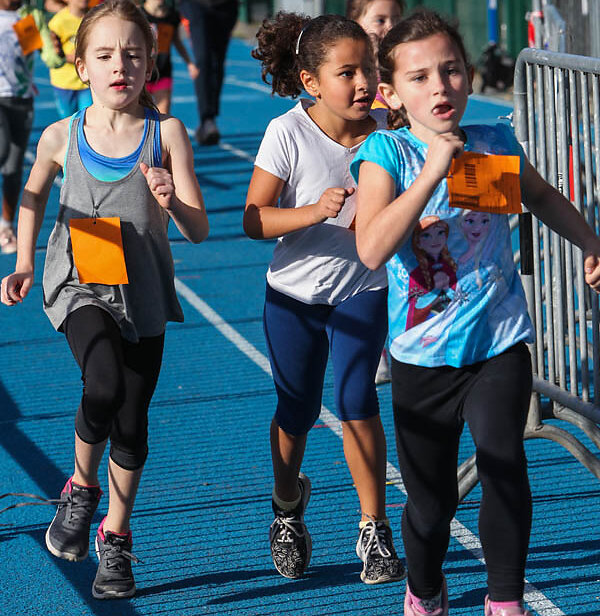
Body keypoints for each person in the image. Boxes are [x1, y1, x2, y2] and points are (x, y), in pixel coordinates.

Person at [351, 8, 600, 616]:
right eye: (419, 77)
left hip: (498, 342)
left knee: (504, 464)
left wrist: (591, 242)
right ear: (391, 93)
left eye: (451, 70)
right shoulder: (386, 153)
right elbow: (371, 248)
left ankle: (505, 600)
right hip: (423, 359)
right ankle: (425, 589)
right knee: (431, 504)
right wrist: (431, 173)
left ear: (468, 76)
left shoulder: (492, 143)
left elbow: (540, 195)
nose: (439, 86)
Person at [0, 0, 208, 599]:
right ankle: (81, 488)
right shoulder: (62, 135)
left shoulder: (167, 134)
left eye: (134, 55)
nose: (121, 66)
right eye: (106, 55)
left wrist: (171, 200)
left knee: (133, 423)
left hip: (143, 290)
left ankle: (115, 536)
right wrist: (23, 261)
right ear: (81, 66)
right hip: (79, 282)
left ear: (150, 64)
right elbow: (32, 195)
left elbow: (198, 229)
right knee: (104, 386)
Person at [244, 12, 404, 585]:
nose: (364, 83)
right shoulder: (287, 133)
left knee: (358, 399)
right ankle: (287, 506)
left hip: (363, 287)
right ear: (311, 82)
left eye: (370, 70)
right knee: (299, 411)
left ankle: (374, 527)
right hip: (294, 295)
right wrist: (313, 211)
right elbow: (253, 219)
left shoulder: (389, 129)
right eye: (347, 73)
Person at [348, 0, 403, 383]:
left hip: (404, 182)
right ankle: (377, 348)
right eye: (379, 19)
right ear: (356, 21)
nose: (389, 26)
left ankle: (398, 341)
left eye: (395, 18)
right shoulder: (353, 74)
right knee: (370, 268)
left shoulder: (406, 65)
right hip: (365, 184)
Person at [0, 0, 36, 254]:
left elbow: (35, 57)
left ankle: (6, 226)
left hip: (22, 99)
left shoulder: (27, 19)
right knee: (1, 151)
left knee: (13, 168)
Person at [179, 0, 237, 145]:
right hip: (196, 4)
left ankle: (211, 116)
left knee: (218, 62)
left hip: (225, 6)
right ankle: (206, 118)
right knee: (203, 60)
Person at [142, 0, 198, 114]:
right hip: (141, 74)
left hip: (163, 72)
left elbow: (176, 41)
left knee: (163, 117)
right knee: (138, 116)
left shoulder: (172, 16)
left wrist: (189, 63)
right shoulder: (138, 15)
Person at [48, 0, 92, 117]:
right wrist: (67, 57)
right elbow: (51, 53)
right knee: (69, 121)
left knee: (87, 120)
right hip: (64, 83)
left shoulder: (93, 19)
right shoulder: (58, 22)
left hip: (88, 82)